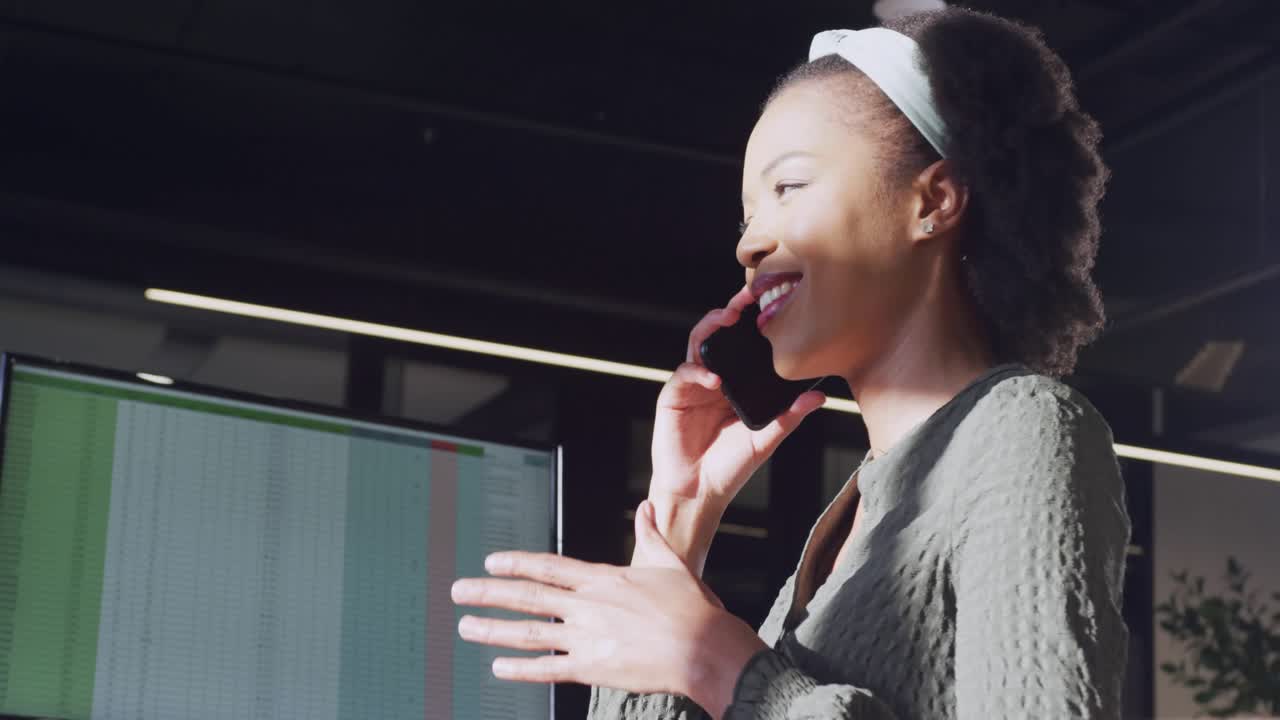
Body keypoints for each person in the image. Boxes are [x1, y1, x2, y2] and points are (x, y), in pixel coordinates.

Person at [451, 6, 1130, 718]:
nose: (749, 245)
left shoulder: (1024, 429)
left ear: (932, 200)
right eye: (747, 217)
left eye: (789, 188)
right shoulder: (856, 517)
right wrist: (679, 529)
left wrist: (730, 669)